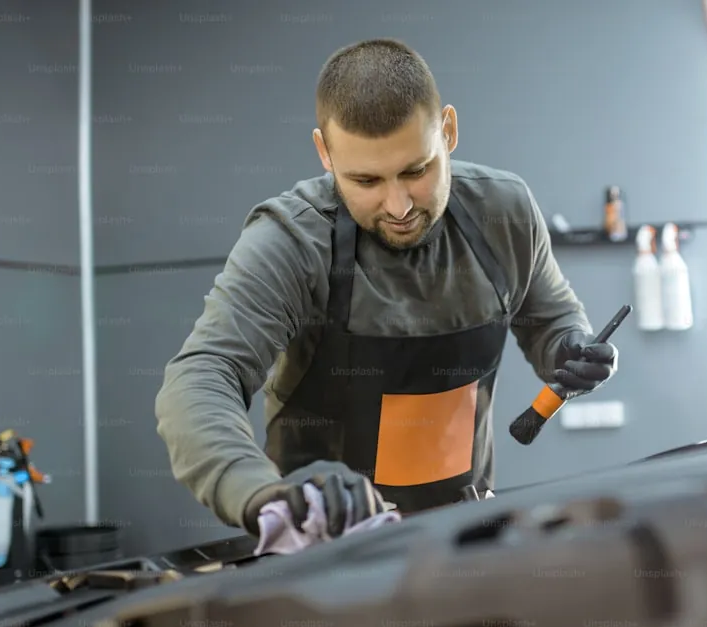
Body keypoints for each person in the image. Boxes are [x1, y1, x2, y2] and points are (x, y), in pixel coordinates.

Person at [154, 38, 619, 539]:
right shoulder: (291, 242)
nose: (399, 206)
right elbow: (202, 376)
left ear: (448, 130)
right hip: (326, 547)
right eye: (366, 181)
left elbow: (551, 319)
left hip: (464, 535)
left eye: (416, 171)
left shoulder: (503, 212)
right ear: (325, 153)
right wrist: (264, 495)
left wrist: (570, 348)